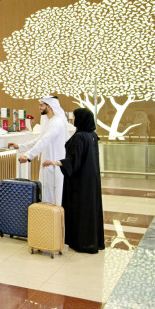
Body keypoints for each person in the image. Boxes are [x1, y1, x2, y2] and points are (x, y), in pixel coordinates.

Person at [42, 107, 105, 253]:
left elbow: (74, 160)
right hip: (91, 180)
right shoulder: (92, 136)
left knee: (79, 210)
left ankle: (81, 242)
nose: (73, 119)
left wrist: (55, 162)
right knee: (91, 210)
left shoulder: (79, 137)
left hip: (80, 182)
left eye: (75, 116)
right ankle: (93, 241)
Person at [9, 97, 68, 204]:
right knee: (46, 195)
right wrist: (20, 147)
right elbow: (40, 139)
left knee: (54, 197)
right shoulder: (51, 121)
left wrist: (28, 156)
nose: (39, 107)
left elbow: (45, 140)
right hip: (47, 165)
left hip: (54, 166)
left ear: (49, 107)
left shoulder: (57, 122)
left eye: (41, 105)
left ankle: (53, 220)